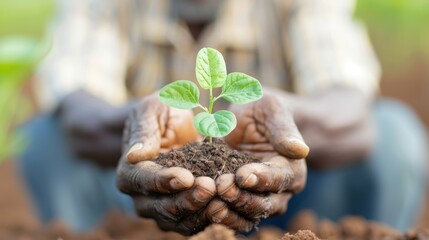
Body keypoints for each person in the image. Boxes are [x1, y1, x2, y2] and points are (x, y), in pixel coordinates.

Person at [19, 0, 428, 235]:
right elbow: (79, 108)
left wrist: (287, 118)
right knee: (44, 137)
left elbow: (348, 101)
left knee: (394, 133)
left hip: (284, 210)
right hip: (145, 211)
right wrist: (139, 123)